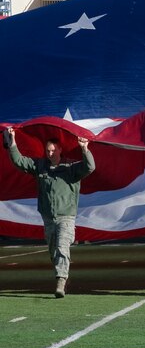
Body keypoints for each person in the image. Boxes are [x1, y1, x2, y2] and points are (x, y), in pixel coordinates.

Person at [6, 127, 95, 298]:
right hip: (48, 218)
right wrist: (13, 140)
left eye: (53, 150)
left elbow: (90, 167)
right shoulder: (40, 166)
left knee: (62, 246)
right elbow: (19, 162)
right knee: (54, 250)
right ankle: (62, 274)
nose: (50, 153)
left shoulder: (70, 168)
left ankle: (60, 281)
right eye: (48, 150)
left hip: (66, 217)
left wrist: (84, 149)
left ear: (60, 149)